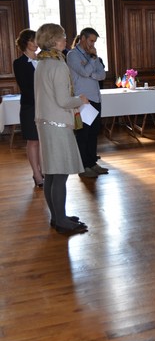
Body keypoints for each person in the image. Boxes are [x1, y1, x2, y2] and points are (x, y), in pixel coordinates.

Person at [34, 23, 89, 234]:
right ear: (54, 40)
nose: (66, 40)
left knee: (52, 174)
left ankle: (58, 217)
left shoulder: (43, 63)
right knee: (60, 174)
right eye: (63, 37)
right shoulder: (58, 65)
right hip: (57, 124)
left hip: (46, 123)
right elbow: (63, 100)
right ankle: (61, 221)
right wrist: (80, 100)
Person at [66, 27, 107, 178]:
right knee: (83, 134)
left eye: (94, 41)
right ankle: (82, 166)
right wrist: (93, 60)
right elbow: (84, 72)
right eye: (91, 40)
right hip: (83, 100)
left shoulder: (91, 55)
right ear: (82, 38)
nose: (92, 44)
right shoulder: (72, 55)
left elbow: (102, 74)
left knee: (94, 133)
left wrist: (91, 69)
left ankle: (92, 163)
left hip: (95, 99)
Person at [13, 28, 43, 187]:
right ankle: (36, 174)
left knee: (43, 140)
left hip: (45, 105)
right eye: (33, 40)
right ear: (25, 43)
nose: (36, 43)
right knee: (33, 140)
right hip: (30, 106)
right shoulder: (19, 63)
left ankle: (44, 170)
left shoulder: (43, 60)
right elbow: (26, 87)